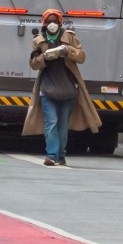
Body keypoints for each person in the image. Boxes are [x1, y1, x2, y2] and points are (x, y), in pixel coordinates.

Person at [22, 9, 101, 167]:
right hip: (47, 90)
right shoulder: (39, 40)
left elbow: (81, 56)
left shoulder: (70, 37)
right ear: (44, 23)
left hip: (68, 91)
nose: (52, 24)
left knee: (63, 125)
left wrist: (67, 51)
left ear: (60, 23)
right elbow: (33, 63)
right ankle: (51, 155)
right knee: (51, 123)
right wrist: (44, 57)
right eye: (49, 21)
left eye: (55, 21)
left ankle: (61, 154)